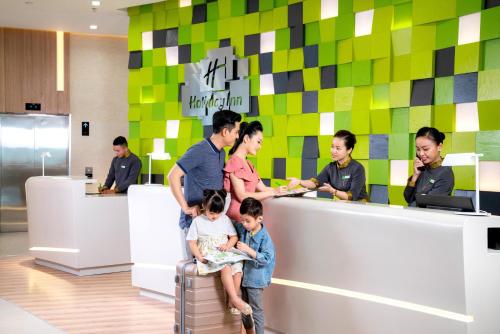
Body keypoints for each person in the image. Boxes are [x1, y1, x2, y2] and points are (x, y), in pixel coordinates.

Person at [168, 110, 242, 235]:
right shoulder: (199, 150)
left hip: (212, 222)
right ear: (225, 131)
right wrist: (185, 208)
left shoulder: (221, 152)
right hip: (194, 224)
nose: (237, 136)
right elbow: (172, 176)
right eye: (236, 132)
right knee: (194, 256)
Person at [186, 189, 252, 316]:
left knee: (238, 268)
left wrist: (227, 245)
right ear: (204, 206)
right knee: (226, 267)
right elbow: (192, 242)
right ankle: (235, 299)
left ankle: (232, 301)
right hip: (208, 254)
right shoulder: (198, 221)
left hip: (223, 252)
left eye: (218, 213)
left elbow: (234, 237)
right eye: (211, 213)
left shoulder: (224, 219)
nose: (215, 216)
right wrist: (199, 257)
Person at [224, 121, 287, 222]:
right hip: (236, 220)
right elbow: (242, 196)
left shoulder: (249, 164)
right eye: (258, 142)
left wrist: (282, 190)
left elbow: (263, 188)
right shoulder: (234, 162)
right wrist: (273, 192)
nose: (260, 147)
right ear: (246, 138)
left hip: (248, 219)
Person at [287, 130, 368, 201]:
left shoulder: (357, 168)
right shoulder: (330, 167)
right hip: (344, 206)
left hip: (361, 207)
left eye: (338, 148)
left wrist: (333, 191)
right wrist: (299, 181)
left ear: (349, 150)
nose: (333, 151)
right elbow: (315, 183)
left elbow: (351, 197)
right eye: (332, 147)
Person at [235, 198, 276, 334]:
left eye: (248, 221)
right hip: (243, 278)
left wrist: (248, 250)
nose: (244, 224)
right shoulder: (242, 228)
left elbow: (266, 258)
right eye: (242, 220)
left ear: (259, 219)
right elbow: (233, 227)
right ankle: (249, 332)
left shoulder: (264, 237)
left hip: (255, 280)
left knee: (256, 311)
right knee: (244, 309)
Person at [404, 127, 454, 205]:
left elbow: (427, 203)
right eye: (418, 149)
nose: (421, 153)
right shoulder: (423, 168)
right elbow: (408, 198)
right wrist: (415, 175)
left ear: (439, 147)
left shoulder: (445, 173)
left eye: (426, 149)